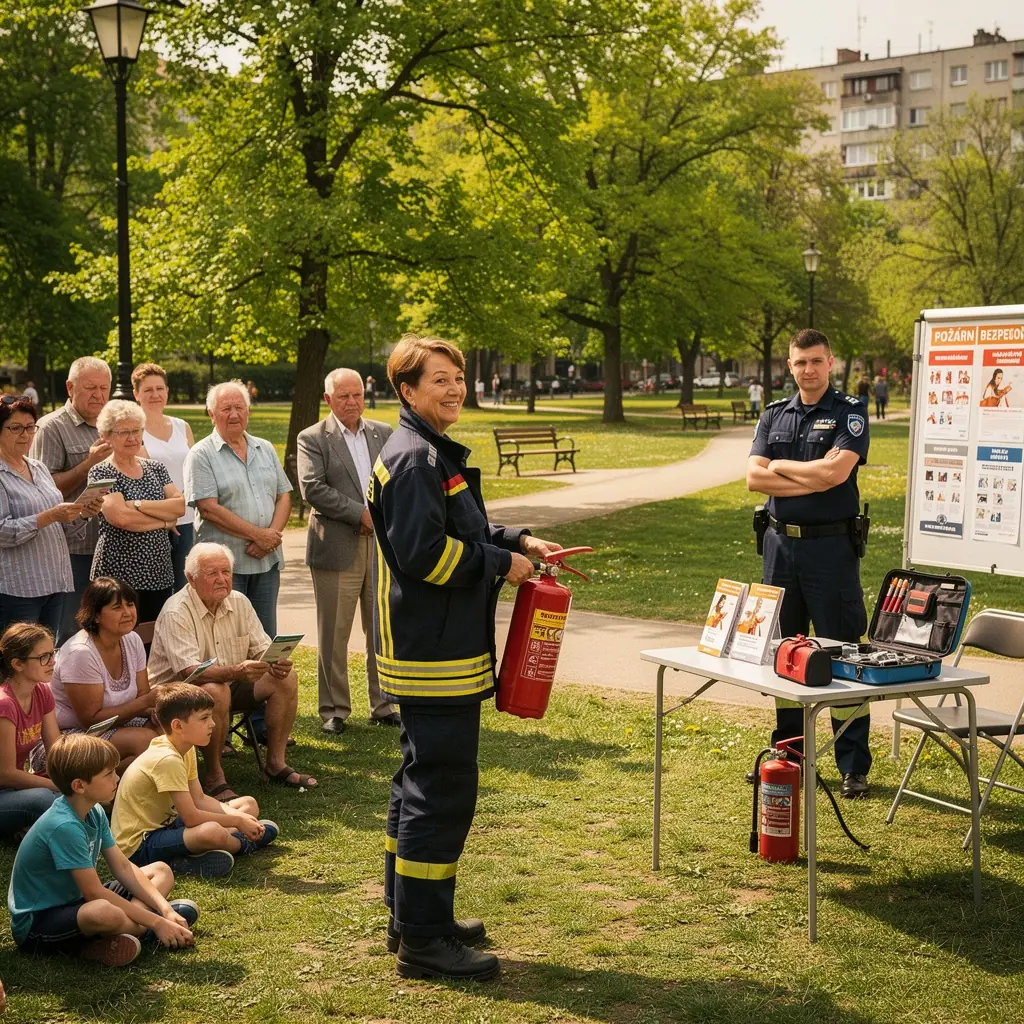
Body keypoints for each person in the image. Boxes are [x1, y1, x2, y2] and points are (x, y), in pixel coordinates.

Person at [368, 333, 564, 981]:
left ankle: (410, 917)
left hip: (434, 647)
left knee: (417, 780)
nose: (454, 388)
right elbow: (427, 556)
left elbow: (462, 528)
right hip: (435, 653)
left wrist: (519, 541)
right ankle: (425, 940)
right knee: (440, 790)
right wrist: (499, 564)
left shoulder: (427, 450)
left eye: (457, 377)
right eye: (439, 380)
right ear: (407, 390)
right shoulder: (415, 458)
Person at [747, 329, 872, 800]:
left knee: (843, 653)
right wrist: (811, 476)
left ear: (830, 362)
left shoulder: (849, 412)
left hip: (831, 551)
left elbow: (836, 474)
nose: (809, 369)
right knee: (784, 653)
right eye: (801, 362)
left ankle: (852, 764)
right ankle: (790, 754)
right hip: (780, 549)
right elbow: (753, 478)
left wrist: (779, 467)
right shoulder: (774, 414)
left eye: (817, 361)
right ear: (790, 365)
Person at [8, 733, 196, 966]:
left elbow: (123, 867)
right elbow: (94, 894)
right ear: (79, 785)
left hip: (77, 901)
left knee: (160, 871)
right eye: (108, 774)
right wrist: (157, 922)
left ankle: (132, 929)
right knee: (103, 912)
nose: (117, 778)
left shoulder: (94, 810)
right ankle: (148, 929)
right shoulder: (64, 826)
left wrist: (165, 910)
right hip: (40, 922)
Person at [147, 543, 317, 795]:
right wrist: (236, 672)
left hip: (228, 686)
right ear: (191, 579)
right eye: (212, 573)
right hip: (176, 695)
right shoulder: (177, 611)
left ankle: (276, 763)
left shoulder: (239, 602)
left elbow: (261, 648)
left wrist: (276, 662)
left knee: (286, 678)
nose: (222, 579)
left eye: (226, 572)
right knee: (216, 691)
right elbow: (189, 672)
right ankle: (214, 776)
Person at [296, 369, 398, 735]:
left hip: (381, 547)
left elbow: (396, 480)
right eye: (343, 396)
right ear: (328, 400)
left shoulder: (383, 432)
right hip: (337, 546)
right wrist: (361, 514)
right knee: (334, 633)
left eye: (357, 395)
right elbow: (312, 488)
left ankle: (383, 704)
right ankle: (334, 709)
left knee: (381, 629)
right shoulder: (312, 438)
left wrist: (384, 516)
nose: (352, 402)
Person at [112, 683, 278, 878]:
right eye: (204, 718)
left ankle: (191, 855)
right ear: (178, 726)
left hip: (168, 823)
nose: (212, 724)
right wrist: (238, 821)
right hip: (139, 845)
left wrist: (240, 818)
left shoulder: (186, 747)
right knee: (212, 832)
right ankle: (244, 844)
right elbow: (191, 817)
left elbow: (199, 799)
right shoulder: (167, 759)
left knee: (248, 804)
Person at [184, 382, 291, 637]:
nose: (234, 414)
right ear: (211, 414)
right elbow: (208, 508)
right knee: (229, 637)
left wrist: (270, 538)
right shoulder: (201, 454)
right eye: (226, 409)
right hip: (224, 569)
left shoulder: (264, 448)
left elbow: (284, 495)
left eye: (239, 407)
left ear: (248, 411)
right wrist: (258, 535)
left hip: (266, 560)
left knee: (265, 636)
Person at [1, 396, 104, 634]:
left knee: (48, 650)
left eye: (30, 427)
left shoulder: (38, 468)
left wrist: (83, 513)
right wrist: (48, 516)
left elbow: (61, 526)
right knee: (19, 654)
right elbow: (3, 532)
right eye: (15, 428)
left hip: (55, 580)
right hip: (19, 588)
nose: (25, 434)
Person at [30, 357, 112, 646]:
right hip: (72, 549)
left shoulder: (113, 425)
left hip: (113, 544)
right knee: (70, 633)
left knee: (107, 632)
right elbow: (42, 489)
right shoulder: (50, 427)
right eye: (90, 388)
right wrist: (88, 464)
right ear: (70, 387)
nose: (99, 395)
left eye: (104, 388)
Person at [47, 578, 159, 773]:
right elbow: (90, 720)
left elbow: (143, 694)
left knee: (171, 729)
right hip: (73, 735)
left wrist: (156, 709)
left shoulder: (132, 639)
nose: (127, 613)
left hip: (120, 722)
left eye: (130, 604)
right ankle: (97, 787)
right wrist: (146, 702)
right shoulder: (81, 653)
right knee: (146, 741)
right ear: (96, 615)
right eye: (117, 607)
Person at [90, 400, 184, 624]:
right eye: (124, 432)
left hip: (159, 571)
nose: (132, 438)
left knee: (155, 635)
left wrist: (137, 504)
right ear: (107, 436)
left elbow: (179, 506)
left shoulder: (156, 468)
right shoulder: (101, 472)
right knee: (121, 635)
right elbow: (121, 518)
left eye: (136, 431)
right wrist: (164, 522)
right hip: (119, 575)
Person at [134, 363, 196, 593]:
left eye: (160, 388)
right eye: (148, 390)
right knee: (158, 594)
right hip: (155, 522)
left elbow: (193, 472)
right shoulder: (134, 431)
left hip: (187, 520)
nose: (155, 395)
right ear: (136, 394)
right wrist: (165, 515)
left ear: (167, 391)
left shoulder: (182, 427)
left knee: (186, 590)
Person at [0, 624, 61, 839]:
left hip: (12, 788)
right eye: (44, 657)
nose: (52, 662)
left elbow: (56, 750)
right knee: (45, 798)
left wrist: (74, 775)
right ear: (18, 664)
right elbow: (6, 774)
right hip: (6, 785)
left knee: (78, 790)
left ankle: (28, 827)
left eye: (53, 654)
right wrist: (57, 785)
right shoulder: (4, 704)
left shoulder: (42, 691)